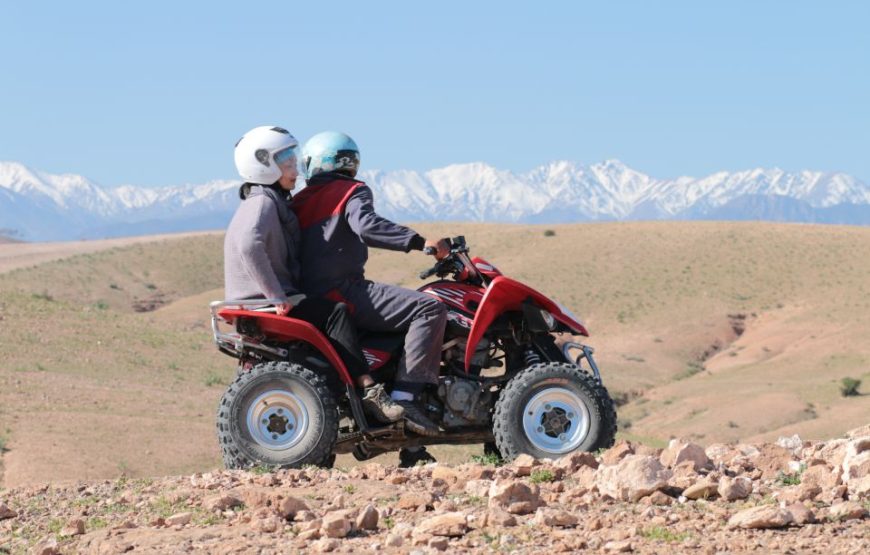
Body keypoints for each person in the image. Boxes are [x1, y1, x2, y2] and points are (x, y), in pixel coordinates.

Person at [224, 125, 403, 424]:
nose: (295, 168)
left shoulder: (267, 200)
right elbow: (248, 245)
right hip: (262, 300)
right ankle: (369, 390)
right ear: (263, 164)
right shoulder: (262, 203)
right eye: (287, 162)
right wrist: (276, 296)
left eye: (294, 159)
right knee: (336, 314)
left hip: (261, 298)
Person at [291, 131, 449, 445]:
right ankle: (407, 397)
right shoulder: (351, 191)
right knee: (429, 307)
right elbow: (367, 225)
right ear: (350, 163)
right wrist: (420, 243)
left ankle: (412, 444)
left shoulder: (298, 201)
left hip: (309, 297)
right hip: (343, 292)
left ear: (314, 163)